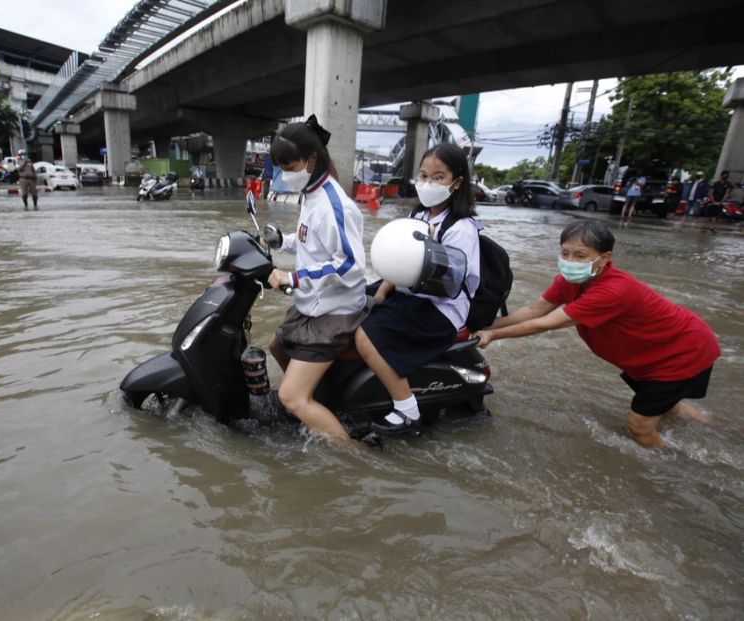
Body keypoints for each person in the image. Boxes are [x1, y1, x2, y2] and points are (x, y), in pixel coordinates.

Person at [473, 219, 720, 448]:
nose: (570, 261)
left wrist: (493, 336)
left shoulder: (612, 290)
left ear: (604, 258)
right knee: (668, 405)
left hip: (681, 352)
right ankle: (712, 427)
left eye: (580, 255)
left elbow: (544, 323)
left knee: (639, 425)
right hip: (653, 352)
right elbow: (534, 310)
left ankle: (673, 467)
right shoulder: (570, 280)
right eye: (565, 253)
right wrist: (482, 325)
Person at [355, 143, 481, 435]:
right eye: (423, 176)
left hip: (441, 306)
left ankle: (407, 409)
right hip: (409, 291)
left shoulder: (462, 229)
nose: (428, 183)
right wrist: (382, 291)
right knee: (353, 300)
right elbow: (397, 263)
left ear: (457, 182)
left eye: (438, 177)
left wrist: (431, 254)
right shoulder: (420, 217)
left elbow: (453, 281)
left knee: (366, 335)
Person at [266, 114, 370, 443]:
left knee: (290, 397)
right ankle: (318, 404)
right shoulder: (311, 194)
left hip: (334, 312)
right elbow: (312, 240)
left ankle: (351, 455)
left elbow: (350, 264)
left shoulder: (334, 204)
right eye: (280, 167)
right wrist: (281, 241)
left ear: (312, 160)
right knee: (276, 346)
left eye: (290, 166)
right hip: (313, 302)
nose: (285, 174)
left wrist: (294, 277)